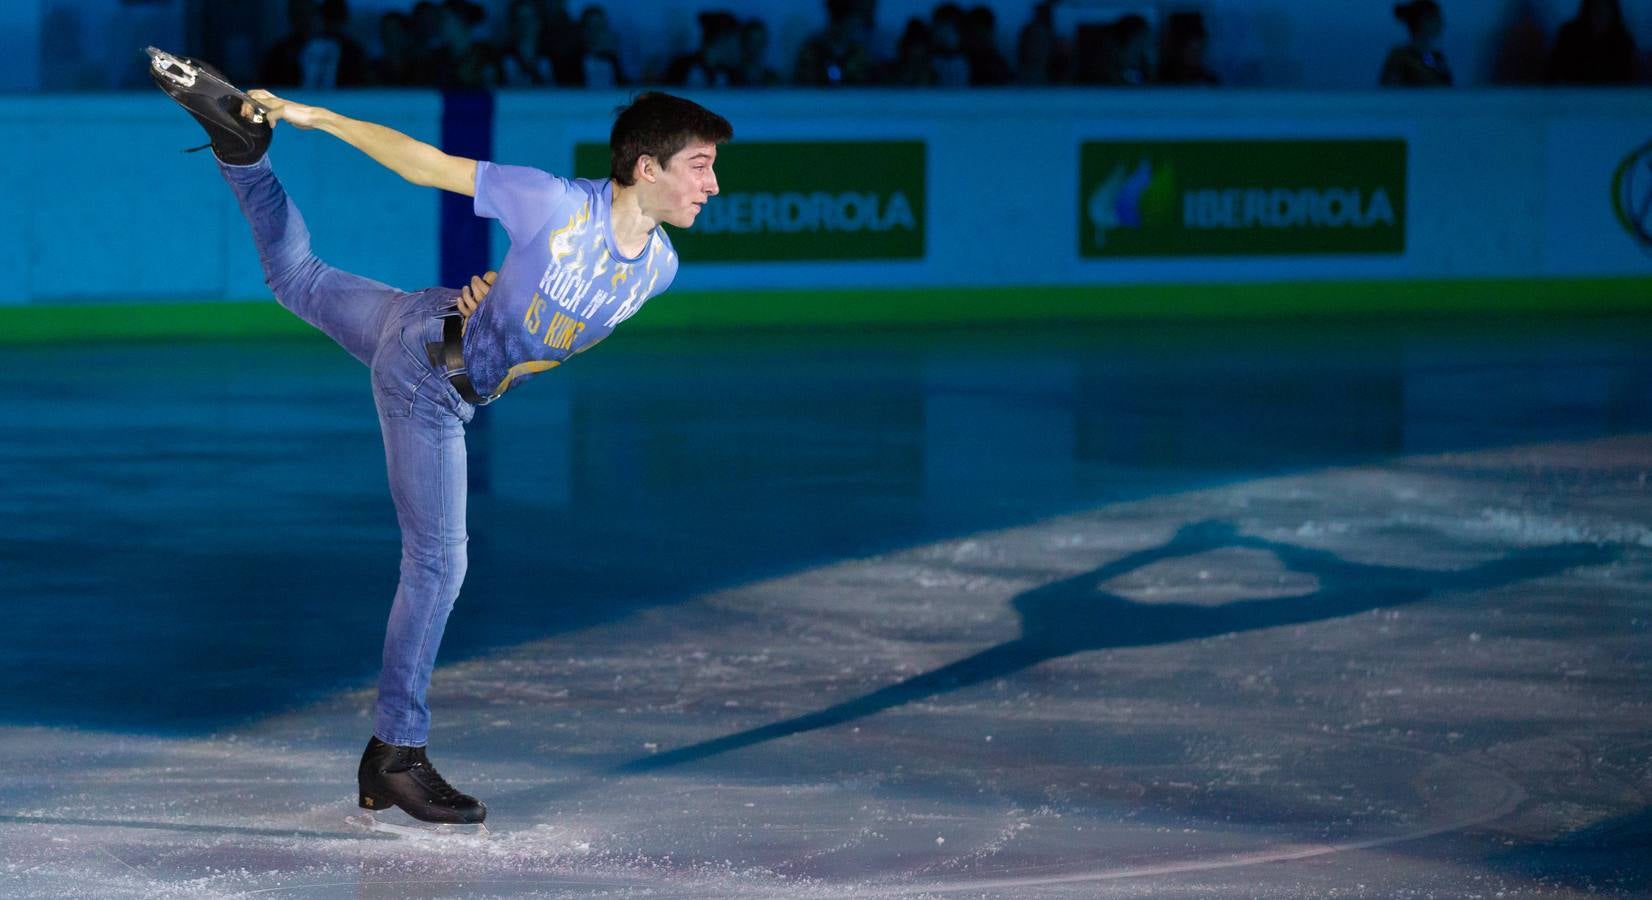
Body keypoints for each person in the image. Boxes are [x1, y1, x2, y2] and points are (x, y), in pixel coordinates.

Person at [146, 46, 730, 826]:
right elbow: (428, 165)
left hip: (425, 326)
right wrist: (317, 116)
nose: (713, 184)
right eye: (699, 165)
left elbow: (555, 348)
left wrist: (496, 326)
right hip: (427, 377)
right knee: (438, 563)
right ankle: (396, 753)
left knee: (298, 279)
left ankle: (241, 156)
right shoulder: (555, 202)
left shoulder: (657, 267)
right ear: (647, 167)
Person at [1547, 0, 1639, 85]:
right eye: (1596, 11)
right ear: (1587, 12)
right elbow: (1552, 74)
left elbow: (1629, 81)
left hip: (1612, 99)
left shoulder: (1623, 42)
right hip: (1571, 97)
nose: (1600, 16)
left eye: (1605, 11)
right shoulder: (1568, 36)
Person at [1381, 0, 1452, 87]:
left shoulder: (1436, 57)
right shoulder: (1399, 57)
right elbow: (1389, 91)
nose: (1441, 23)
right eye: (1436, 18)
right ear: (1422, 21)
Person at [1159, 11, 1218, 85]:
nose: (1196, 55)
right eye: (1192, 51)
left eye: (1199, 50)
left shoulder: (1209, 82)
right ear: (1179, 49)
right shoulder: (1163, 82)